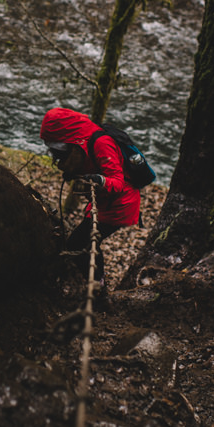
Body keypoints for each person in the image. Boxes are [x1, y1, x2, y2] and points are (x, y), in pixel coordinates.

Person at [39, 108, 141, 302]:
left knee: (81, 242)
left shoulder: (102, 143)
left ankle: (98, 289)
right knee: (87, 241)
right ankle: (96, 284)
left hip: (120, 205)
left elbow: (118, 183)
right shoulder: (80, 142)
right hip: (103, 202)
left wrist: (99, 181)